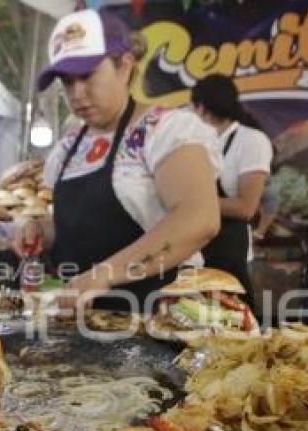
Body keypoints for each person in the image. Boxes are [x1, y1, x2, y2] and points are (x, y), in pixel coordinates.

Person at [14, 8, 221, 313]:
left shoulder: (165, 131)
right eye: (67, 82)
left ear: (125, 67)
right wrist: (43, 230)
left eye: (87, 76)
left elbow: (199, 219)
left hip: (157, 316)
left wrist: (106, 273)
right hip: (86, 320)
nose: (77, 93)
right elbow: (87, 225)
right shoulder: (70, 146)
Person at [191, 73, 273, 299]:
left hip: (228, 253)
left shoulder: (251, 141)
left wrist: (188, 204)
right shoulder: (192, 141)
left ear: (201, 107)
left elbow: (246, 208)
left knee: (231, 322)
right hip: (191, 250)